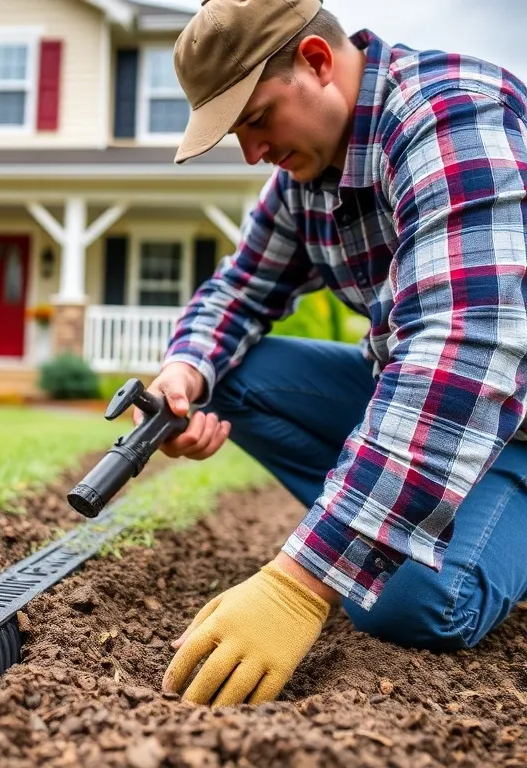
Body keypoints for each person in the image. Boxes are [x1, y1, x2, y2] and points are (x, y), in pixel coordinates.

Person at [149, 0, 527, 708]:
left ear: (318, 63)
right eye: (236, 134)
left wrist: (300, 581)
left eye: (257, 119)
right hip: (420, 400)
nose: (253, 152)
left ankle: (428, 531)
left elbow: (463, 352)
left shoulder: (450, 117)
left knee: (409, 606)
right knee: (228, 375)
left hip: (512, 422)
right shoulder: (306, 176)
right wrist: (183, 373)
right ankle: (387, 514)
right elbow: (237, 293)